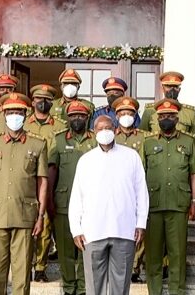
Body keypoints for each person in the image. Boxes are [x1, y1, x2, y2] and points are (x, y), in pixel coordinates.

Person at [69, 115, 149, 295]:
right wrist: (76, 229)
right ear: (93, 132)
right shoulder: (86, 160)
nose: (104, 132)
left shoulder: (131, 157)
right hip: (93, 232)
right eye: (100, 128)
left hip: (124, 230)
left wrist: (141, 223)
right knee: (93, 288)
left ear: (115, 130)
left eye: (108, 128)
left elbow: (141, 193)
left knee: (120, 288)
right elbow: (77, 197)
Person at [0, 92, 48, 295]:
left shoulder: (38, 144)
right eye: (10, 112)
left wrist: (41, 216)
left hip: (25, 216)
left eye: (18, 112)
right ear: (3, 114)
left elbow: (42, 182)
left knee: (22, 273)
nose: (14, 116)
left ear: (25, 114)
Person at [141, 98, 195, 295]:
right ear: (157, 118)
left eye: (170, 116)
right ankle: (154, 292)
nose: (166, 119)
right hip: (153, 205)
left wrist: (194, 201)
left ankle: (178, 291)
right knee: (153, 255)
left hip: (178, 204)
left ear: (177, 118)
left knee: (177, 253)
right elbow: (140, 174)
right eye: (163, 116)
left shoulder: (188, 141)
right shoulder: (147, 142)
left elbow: (194, 172)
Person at [48, 100, 97, 295]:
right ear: (68, 118)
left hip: (90, 206)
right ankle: (69, 287)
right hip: (63, 203)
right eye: (73, 116)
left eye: (81, 116)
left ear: (87, 118)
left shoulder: (94, 140)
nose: (77, 119)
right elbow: (52, 170)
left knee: (86, 249)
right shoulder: (59, 140)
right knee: (66, 250)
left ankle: (84, 288)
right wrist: (49, 201)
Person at [25, 84, 67, 282]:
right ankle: (26, 264)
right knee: (27, 224)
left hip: (52, 178)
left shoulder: (60, 126)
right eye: (39, 99)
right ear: (33, 102)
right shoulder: (24, 124)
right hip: (27, 179)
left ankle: (41, 266)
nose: (43, 103)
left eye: (48, 100)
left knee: (46, 224)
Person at [110, 97, 149, 283]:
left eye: (130, 113)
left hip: (136, 188)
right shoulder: (111, 136)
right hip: (115, 191)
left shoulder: (144, 137)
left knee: (137, 228)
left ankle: (135, 267)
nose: (126, 116)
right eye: (122, 113)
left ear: (135, 115)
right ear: (116, 116)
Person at [139, 71, 195, 137]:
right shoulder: (150, 111)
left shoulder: (189, 113)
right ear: (162, 88)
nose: (172, 90)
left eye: (175, 86)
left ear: (179, 89)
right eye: (168, 86)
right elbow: (142, 137)